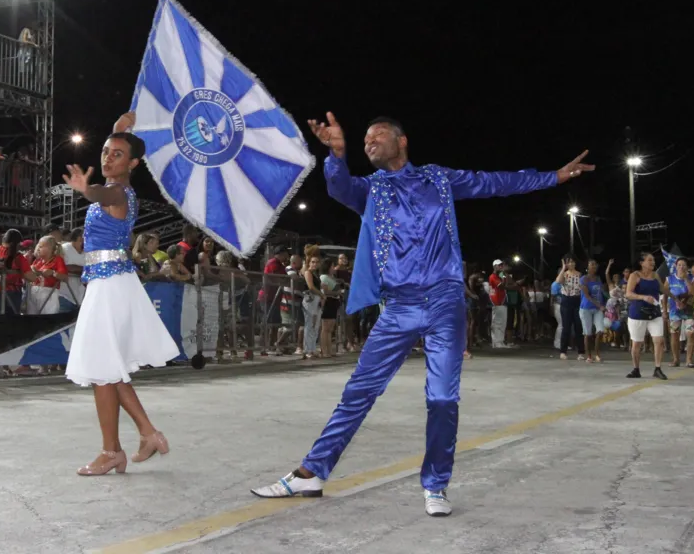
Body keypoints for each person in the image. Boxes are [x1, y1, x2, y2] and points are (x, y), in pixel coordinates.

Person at [251, 112, 592, 516]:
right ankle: (311, 474)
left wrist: (552, 177)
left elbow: (495, 182)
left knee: (443, 398)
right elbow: (339, 187)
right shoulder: (370, 190)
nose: (369, 141)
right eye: (363, 139)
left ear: (402, 141)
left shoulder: (439, 179)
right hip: (398, 307)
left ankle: (435, 485)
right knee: (358, 392)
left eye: (377, 135)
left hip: (444, 301)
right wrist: (336, 155)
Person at [60, 112, 180, 476]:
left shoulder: (118, 193)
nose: (107, 158)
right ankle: (147, 434)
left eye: (117, 154)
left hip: (111, 288)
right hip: (108, 283)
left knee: (102, 368)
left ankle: (112, 451)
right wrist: (120, 129)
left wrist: (86, 190)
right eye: (106, 152)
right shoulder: (119, 191)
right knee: (109, 370)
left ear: (133, 164)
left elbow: (101, 191)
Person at [625, 252, 667, 379]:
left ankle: (658, 368)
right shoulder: (635, 275)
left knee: (659, 341)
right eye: (650, 260)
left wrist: (675, 298)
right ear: (641, 263)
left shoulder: (655, 275)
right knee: (637, 343)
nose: (653, 262)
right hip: (638, 313)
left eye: (653, 260)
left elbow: (664, 290)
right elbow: (628, 294)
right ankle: (636, 369)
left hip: (654, 312)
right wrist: (642, 297)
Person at [664, 256, 694, 368]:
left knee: (691, 333)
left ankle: (689, 360)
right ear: (675, 266)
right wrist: (665, 310)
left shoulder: (692, 278)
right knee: (674, 334)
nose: (681, 267)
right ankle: (676, 359)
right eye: (679, 265)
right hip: (674, 310)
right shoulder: (669, 279)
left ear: (687, 267)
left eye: (684, 265)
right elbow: (665, 295)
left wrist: (686, 279)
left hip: (689, 310)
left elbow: (693, 292)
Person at [555, 256, 585, 360]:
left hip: (577, 301)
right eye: (569, 262)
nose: (571, 264)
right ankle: (563, 351)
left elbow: (583, 288)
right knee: (566, 327)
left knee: (578, 327)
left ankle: (581, 352)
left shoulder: (580, 274)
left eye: (573, 262)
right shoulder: (564, 274)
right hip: (566, 301)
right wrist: (563, 268)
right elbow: (558, 281)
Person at [579, 259, 606, 363]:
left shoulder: (598, 279)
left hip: (598, 308)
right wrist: (600, 306)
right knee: (588, 333)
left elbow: (601, 293)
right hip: (586, 308)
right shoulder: (583, 279)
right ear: (587, 267)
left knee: (600, 330)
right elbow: (587, 295)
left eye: (595, 265)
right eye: (592, 265)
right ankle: (589, 356)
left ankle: (598, 354)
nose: (594, 267)